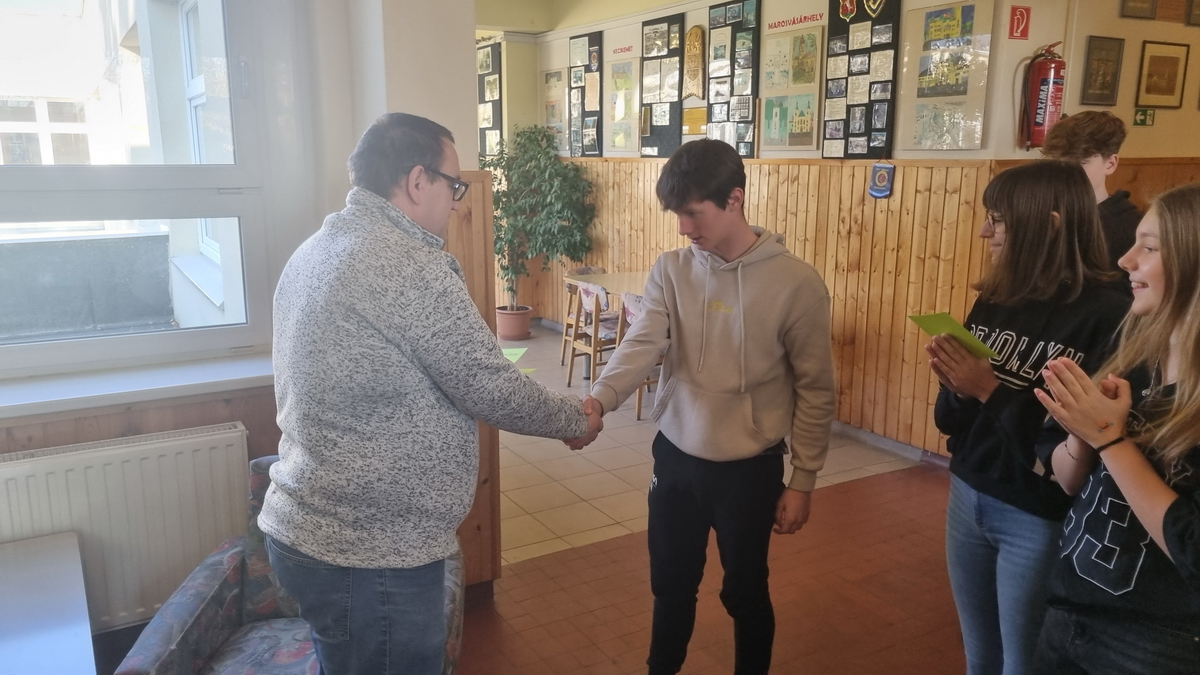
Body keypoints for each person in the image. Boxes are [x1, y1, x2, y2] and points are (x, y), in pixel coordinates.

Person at [260, 112, 602, 675]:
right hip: (369, 552)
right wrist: (576, 420)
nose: (457, 203)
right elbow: (489, 386)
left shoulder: (318, 248)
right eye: (454, 186)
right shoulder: (406, 265)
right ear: (418, 181)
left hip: (313, 529)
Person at [583, 139, 837, 675]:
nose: (683, 228)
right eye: (677, 214)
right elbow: (642, 343)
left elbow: (816, 389)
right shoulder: (671, 270)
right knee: (671, 585)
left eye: (693, 213)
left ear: (734, 199)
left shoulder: (797, 284)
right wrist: (600, 399)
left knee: (745, 592)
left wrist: (803, 480)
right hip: (677, 457)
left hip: (750, 468)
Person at [925, 160, 1129, 675]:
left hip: (1037, 514)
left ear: (1049, 225)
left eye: (998, 220)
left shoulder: (1107, 314)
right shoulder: (997, 298)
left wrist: (987, 388)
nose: (984, 232)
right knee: (980, 655)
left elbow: (1076, 441)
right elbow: (952, 422)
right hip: (968, 491)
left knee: (1023, 662)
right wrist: (954, 385)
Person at [1033, 183, 1200, 674]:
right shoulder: (1135, 357)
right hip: (1073, 603)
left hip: (1158, 639)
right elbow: (1069, 481)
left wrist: (1109, 436)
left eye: (1149, 248)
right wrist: (1081, 429)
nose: (1126, 261)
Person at [1042, 110, 1143, 292]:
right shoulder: (1041, 214)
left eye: (1080, 163)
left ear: (1110, 164)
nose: (1066, 173)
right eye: (1058, 163)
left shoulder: (1134, 229)